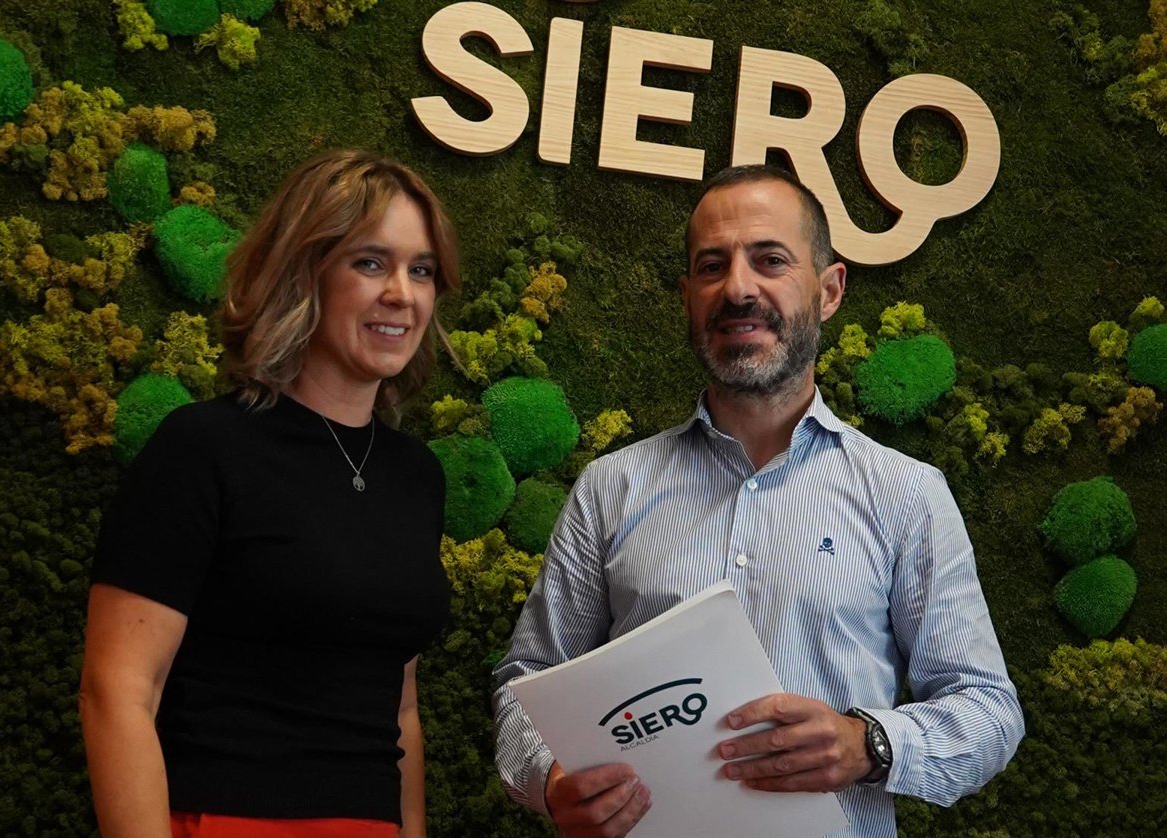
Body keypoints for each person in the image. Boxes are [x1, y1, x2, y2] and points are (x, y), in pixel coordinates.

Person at [491, 164, 1024, 838]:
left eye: (770, 260)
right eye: (712, 267)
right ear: (688, 297)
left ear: (829, 291)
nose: (738, 288)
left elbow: (989, 710)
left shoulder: (906, 495)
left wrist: (869, 744)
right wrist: (552, 782)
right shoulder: (609, 488)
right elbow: (526, 683)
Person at [79, 149, 460, 838]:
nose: (402, 293)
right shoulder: (202, 447)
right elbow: (118, 690)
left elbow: (399, 710)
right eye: (370, 262)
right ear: (303, 271)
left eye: (421, 270)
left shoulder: (417, 475)